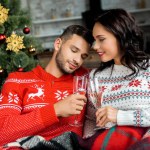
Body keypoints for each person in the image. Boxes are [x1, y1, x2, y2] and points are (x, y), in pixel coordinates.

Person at [0, 25, 94, 149]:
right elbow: (2, 133)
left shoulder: (86, 79)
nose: (77, 60)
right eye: (74, 50)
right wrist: (55, 110)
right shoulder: (17, 81)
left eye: (83, 56)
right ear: (58, 44)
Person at [80, 9, 150, 150]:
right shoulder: (95, 77)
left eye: (101, 39)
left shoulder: (148, 68)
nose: (95, 46)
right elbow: (91, 120)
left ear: (120, 35)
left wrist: (119, 116)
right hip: (109, 143)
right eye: (94, 40)